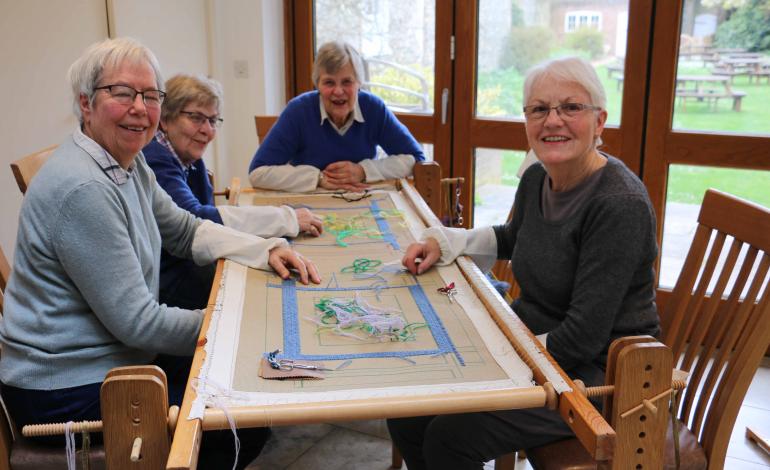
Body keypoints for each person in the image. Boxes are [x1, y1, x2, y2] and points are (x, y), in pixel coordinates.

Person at [0, 37, 319, 469]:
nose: (140, 107)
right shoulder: (86, 188)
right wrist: (239, 328)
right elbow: (140, 323)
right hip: (66, 387)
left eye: (151, 95)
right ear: (85, 103)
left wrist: (265, 250)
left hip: (111, 358)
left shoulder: (127, 162)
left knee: (239, 393)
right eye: (122, 92)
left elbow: (184, 231)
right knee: (238, 420)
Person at [386, 57, 660, 470]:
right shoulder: (537, 176)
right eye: (539, 109)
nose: (553, 121)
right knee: (408, 408)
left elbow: (583, 336)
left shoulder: (618, 204)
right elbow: (516, 236)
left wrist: (495, 364)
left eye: (571, 107)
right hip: (538, 345)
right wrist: (447, 243)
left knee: (449, 437)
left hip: (602, 377)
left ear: (599, 121)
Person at [144, 74, 323, 309]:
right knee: (260, 295)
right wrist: (284, 219)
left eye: (213, 120)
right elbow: (198, 219)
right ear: (165, 119)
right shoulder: (156, 160)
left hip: (188, 264)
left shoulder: (189, 157)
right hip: (166, 282)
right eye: (196, 118)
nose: (207, 130)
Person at [248, 40, 425, 193]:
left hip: (362, 200)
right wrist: (318, 178)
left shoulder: (373, 108)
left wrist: (363, 171)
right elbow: (258, 173)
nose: (338, 91)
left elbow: (416, 159)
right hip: (309, 207)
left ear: (359, 84)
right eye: (329, 82)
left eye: (347, 82)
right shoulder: (298, 111)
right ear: (317, 84)